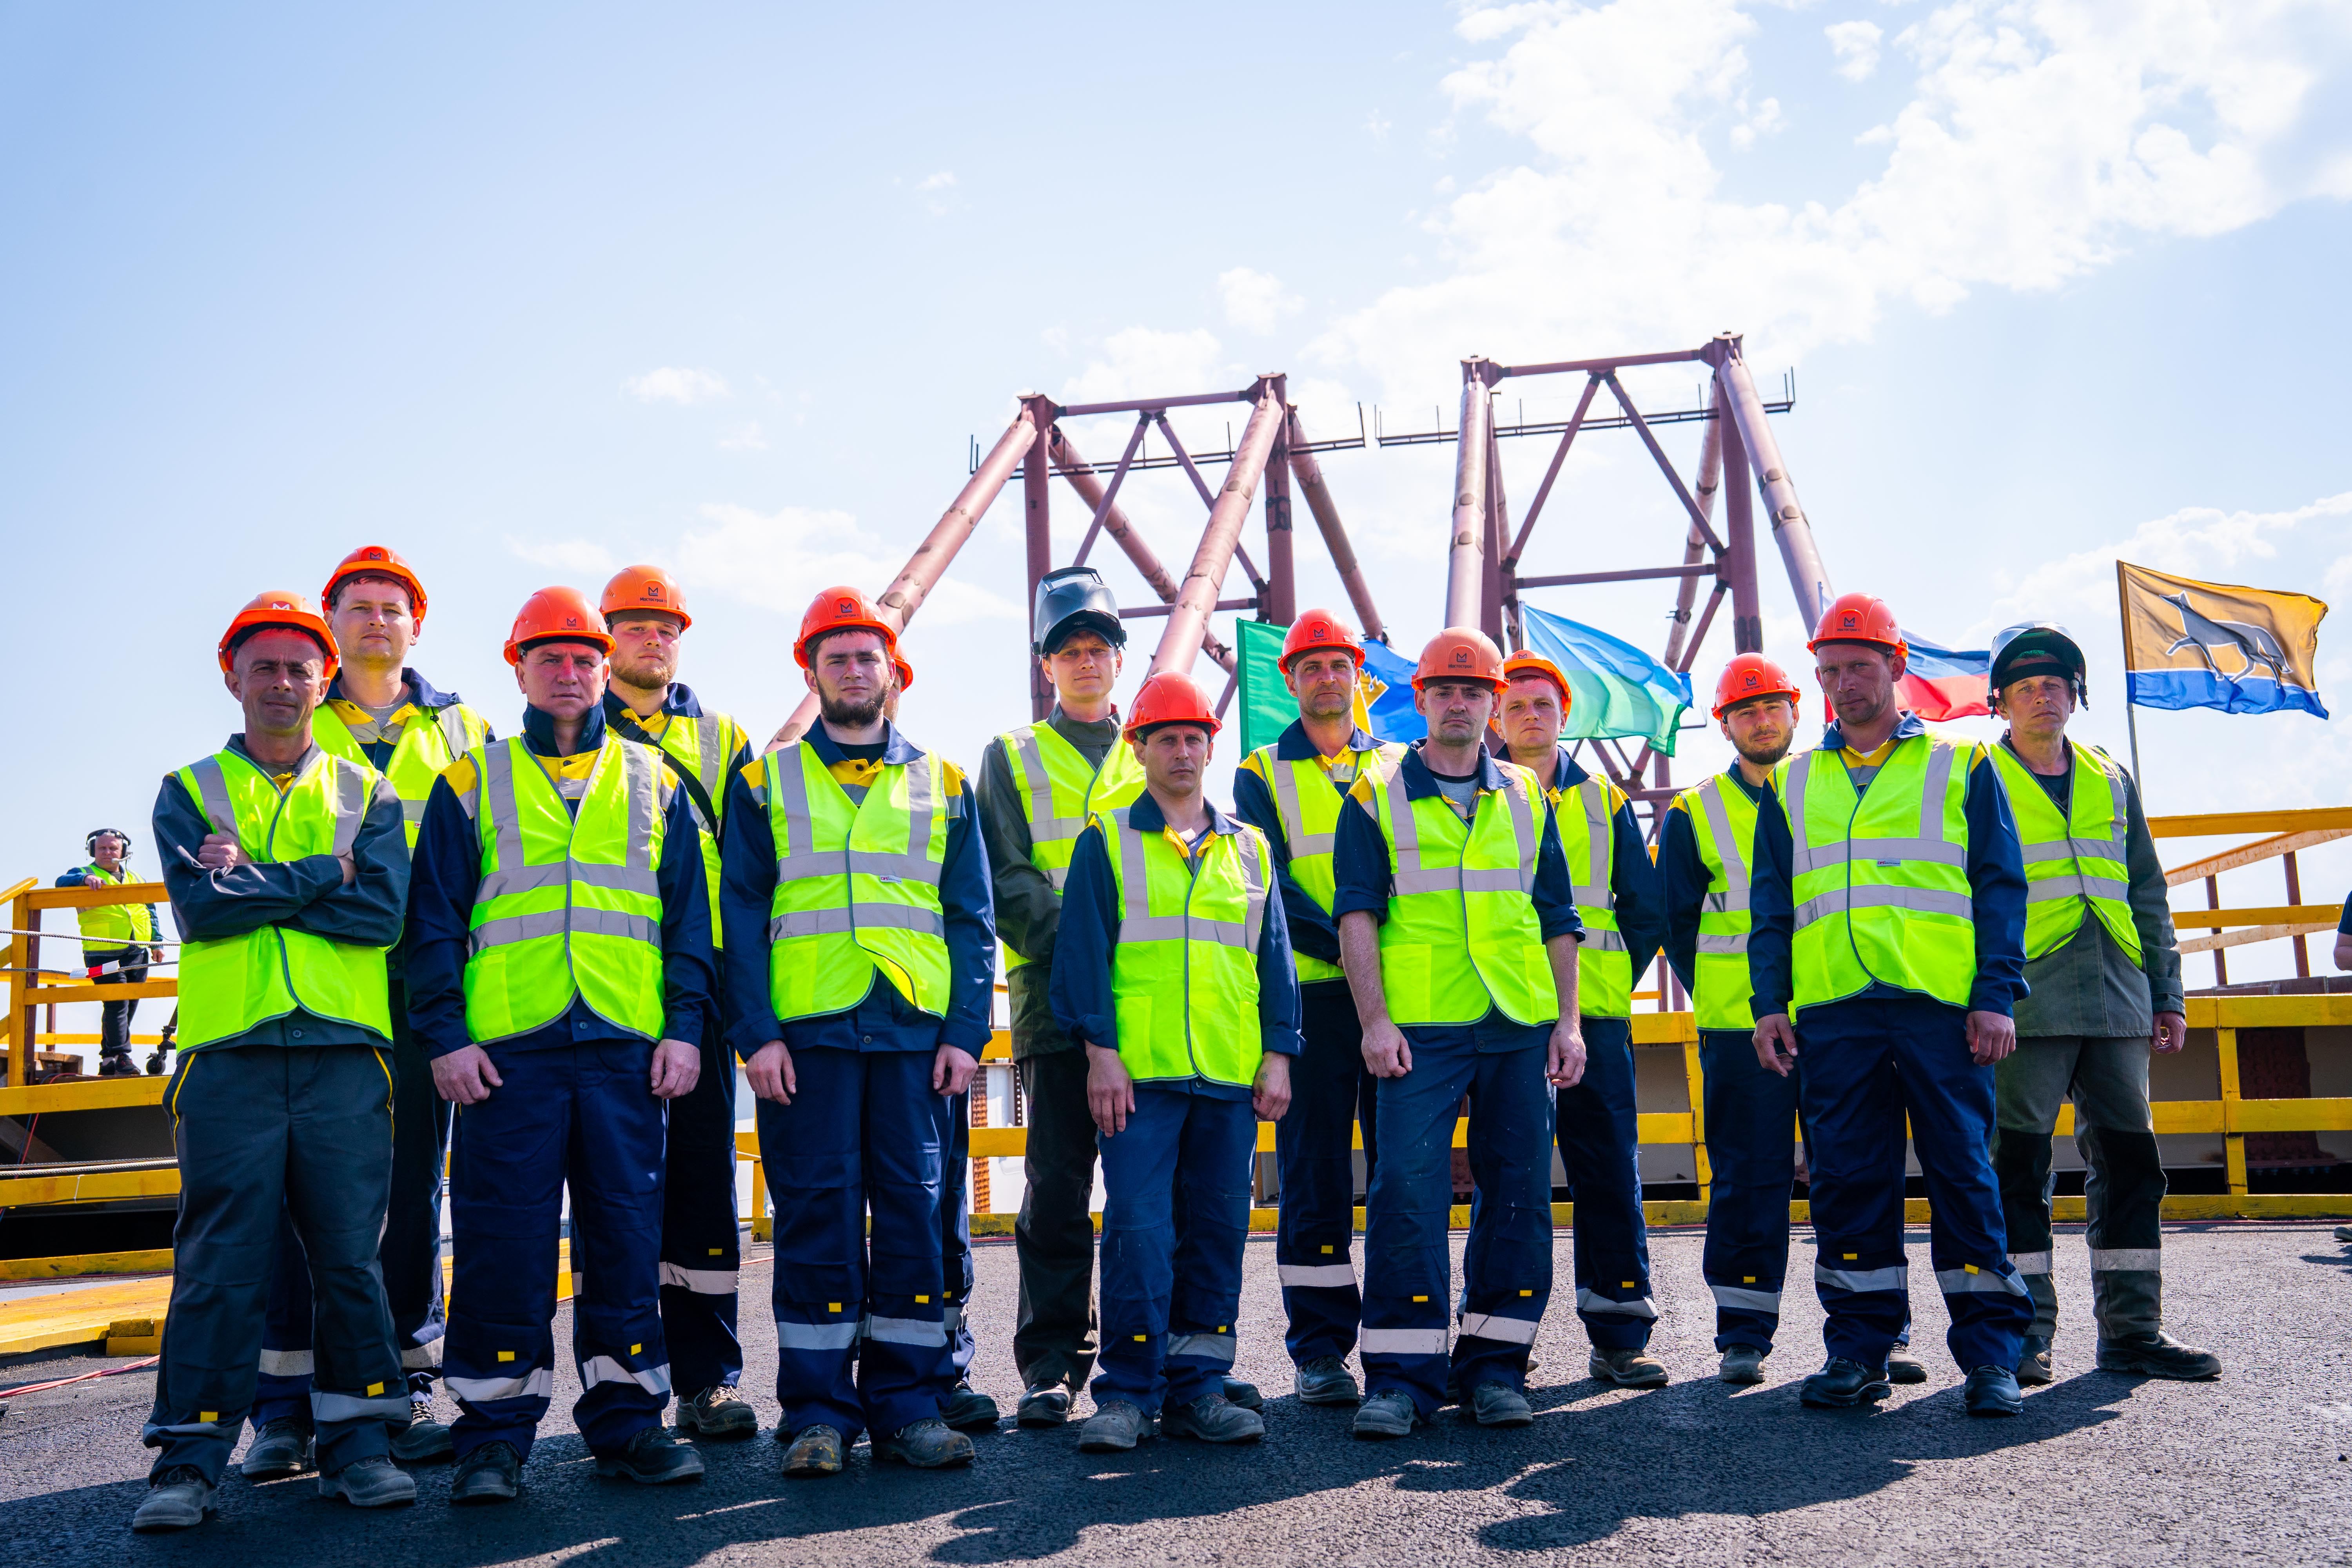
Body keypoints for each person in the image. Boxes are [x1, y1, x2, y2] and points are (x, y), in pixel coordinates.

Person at [405, 586, 715, 1504]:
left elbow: (687, 925)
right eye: (550, 658)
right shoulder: (472, 780)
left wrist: (684, 1028)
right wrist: (446, 1037)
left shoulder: (657, 780)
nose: (570, 673)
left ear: (604, 669)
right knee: (502, 1246)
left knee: (625, 1240)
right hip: (510, 1055)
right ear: (520, 671)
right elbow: (433, 923)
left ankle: (629, 1422)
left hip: (625, 1049)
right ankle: (491, 1437)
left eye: (584, 658)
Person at [134, 591, 416, 1532]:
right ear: (233, 677)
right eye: (265, 666)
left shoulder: (367, 793)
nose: (284, 682)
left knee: (349, 1259)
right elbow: (203, 910)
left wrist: (250, 876)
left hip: (343, 1055)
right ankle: (187, 1458)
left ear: (324, 679)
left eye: (301, 667)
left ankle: (360, 1444)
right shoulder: (189, 788)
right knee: (218, 1261)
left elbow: (381, 916)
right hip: (232, 1057)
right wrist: (327, 871)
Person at [721, 586, 995, 1477]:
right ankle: (816, 1415)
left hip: (914, 1036)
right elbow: (739, 916)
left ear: (892, 673)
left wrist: (965, 1032)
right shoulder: (763, 784)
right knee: (816, 1219)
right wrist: (756, 1034)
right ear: (811, 673)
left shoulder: (944, 783)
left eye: (865, 657)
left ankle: (908, 1407)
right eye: (834, 657)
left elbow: (971, 919)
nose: (851, 670)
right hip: (808, 1039)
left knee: (914, 1216)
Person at [1749, 592, 2034, 1417]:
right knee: (1847, 1183)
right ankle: (1859, 1349)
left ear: (1896, 666)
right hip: (1835, 1009)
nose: (1844, 683)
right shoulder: (1793, 782)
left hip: (1939, 1007)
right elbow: (1771, 905)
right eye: (1830, 671)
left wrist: (1994, 995)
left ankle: (1991, 1357)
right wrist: (1770, 1003)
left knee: (1963, 1177)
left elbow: (2000, 887)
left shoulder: (1961, 764)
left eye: (1859, 666)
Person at [244, 544, 493, 1477]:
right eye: (360, 605)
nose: (377, 620)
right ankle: (285, 1406)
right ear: (331, 621)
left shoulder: (465, 729)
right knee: (294, 1192)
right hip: (317, 986)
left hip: (426, 988)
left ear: (415, 626)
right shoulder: (297, 715)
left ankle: (403, 1380)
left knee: (411, 1186)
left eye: (394, 607)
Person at [1331, 628, 1586, 1439]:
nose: (1459, 703)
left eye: (1474, 692)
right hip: (1422, 1025)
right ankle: (1400, 1380)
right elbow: (1356, 915)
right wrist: (1374, 1021)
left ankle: (1495, 1369)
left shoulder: (1527, 795)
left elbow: (1557, 916)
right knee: (1406, 1192)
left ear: (1493, 704)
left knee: (1519, 1193)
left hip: (1518, 1021)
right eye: (1444, 689)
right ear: (1421, 700)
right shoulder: (1374, 795)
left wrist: (1568, 1022)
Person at [1051, 670, 1300, 1451]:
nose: (1183, 751)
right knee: (1138, 1229)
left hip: (1228, 1074)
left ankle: (1198, 1389)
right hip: (1142, 1077)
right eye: (1167, 739)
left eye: (1195, 738)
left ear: (1210, 748)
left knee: (1219, 1231)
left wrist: (1279, 1054)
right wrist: (1101, 1054)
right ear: (1140, 748)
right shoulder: (1106, 841)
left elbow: (1275, 961)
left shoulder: (1250, 848)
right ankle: (1128, 1393)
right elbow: (1081, 957)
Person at [1982, 622, 2221, 1382]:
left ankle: (2132, 1330)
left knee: (2131, 1162)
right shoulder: (1975, 776)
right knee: (2017, 1166)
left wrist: (2167, 992)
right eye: (2025, 687)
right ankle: (2023, 1336)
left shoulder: (2111, 776)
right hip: (2024, 995)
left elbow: (2147, 888)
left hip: (2118, 991)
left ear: (2076, 696)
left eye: (2054, 685)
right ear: (2000, 703)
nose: (2042, 696)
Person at [974, 567, 1148, 1428]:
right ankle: (1051, 1364)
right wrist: (1086, 949)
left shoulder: (1155, 746)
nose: (1085, 661)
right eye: (1068, 650)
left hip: (1149, 1008)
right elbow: (1006, 880)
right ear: (1047, 665)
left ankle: (1147, 1357)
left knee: (1148, 1194)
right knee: (1055, 1191)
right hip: (1052, 1008)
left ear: (1120, 660)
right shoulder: (1010, 756)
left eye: (1098, 648)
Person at [597, 564, 761, 1440]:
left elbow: (749, 868)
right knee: (620, 1189)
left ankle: (708, 1380)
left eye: (666, 627)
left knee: (701, 1181)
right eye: (636, 625)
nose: (653, 639)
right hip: (609, 983)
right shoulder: (577, 727)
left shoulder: (723, 737)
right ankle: (628, 1384)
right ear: (606, 635)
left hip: (702, 986)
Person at [1234, 610, 1403, 1406]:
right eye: (1313, 667)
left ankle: (1406, 1339)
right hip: (1312, 997)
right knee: (1313, 1172)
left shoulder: (1400, 765)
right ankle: (1321, 1349)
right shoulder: (1259, 772)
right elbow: (1265, 880)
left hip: (1397, 999)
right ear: (1290, 680)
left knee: (1405, 1171)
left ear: (1358, 676)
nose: (1328, 678)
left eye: (1340, 665)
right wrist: (1350, 941)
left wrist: (1375, 956)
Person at [1492, 649, 1667, 1388]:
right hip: (1505, 1015)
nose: (1531, 717)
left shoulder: (1605, 801)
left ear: (1565, 715)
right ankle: (1501, 1342)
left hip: (1592, 1017)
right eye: (1516, 706)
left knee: (1607, 1173)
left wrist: (1607, 980)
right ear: (1497, 718)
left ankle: (1621, 1336)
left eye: (1543, 705)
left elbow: (1645, 910)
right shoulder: (1477, 795)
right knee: (1512, 1179)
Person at [56, 829, 160, 1077]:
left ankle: (109, 1059)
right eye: (102, 848)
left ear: (124, 852)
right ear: (93, 850)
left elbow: (150, 911)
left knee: (128, 1004)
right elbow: (61, 881)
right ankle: (123, 1056)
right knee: (117, 1003)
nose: (107, 853)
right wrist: (84, 880)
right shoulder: (84, 873)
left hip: (137, 951)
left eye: (113, 848)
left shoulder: (136, 878)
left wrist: (156, 944)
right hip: (102, 953)